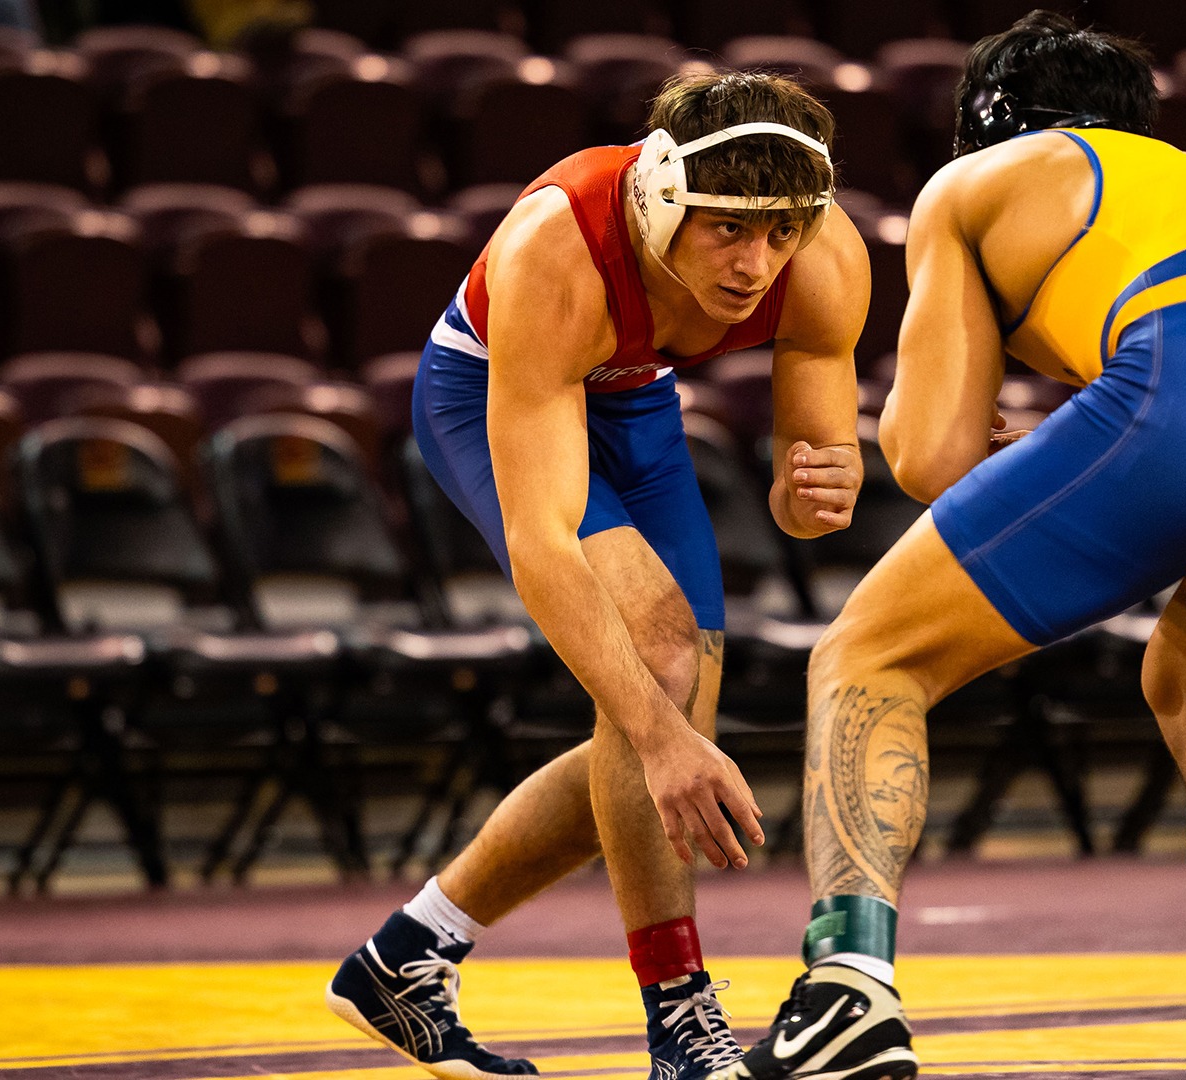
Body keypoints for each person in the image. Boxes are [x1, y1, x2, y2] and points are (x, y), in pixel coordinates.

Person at [713, 12, 1186, 1080]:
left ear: (982, 124)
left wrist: (962, 418)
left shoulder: (982, 182)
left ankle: (845, 992)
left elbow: (928, 458)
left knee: (868, 655)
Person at [327, 72, 871, 1080]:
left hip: (633, 395)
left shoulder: (827, 258)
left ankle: (407, 956)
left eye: (781, 233)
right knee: (660, 687)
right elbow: (543, 541)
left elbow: (801, 507)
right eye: (728, 233)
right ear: (662, 194)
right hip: (495, 382)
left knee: (665, 727)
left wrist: (820, 488)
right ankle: (678, 1016)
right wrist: (660, 740)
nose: (757, 267)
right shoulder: (558, 245)